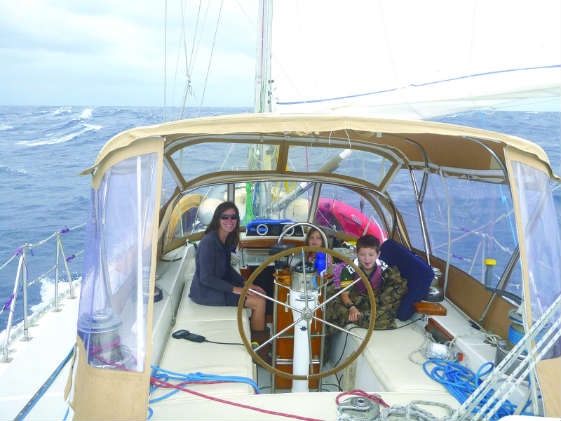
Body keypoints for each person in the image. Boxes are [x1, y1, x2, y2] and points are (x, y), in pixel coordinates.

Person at [189, 201, 270, 359]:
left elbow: (226, 269)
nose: (229, 221)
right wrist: (237, 290)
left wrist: (248, 284)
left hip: (219, 288)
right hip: (206, 293)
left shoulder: (224, 240)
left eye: (233, 217)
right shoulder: (208, 242)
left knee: (260, 294)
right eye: (225, 217)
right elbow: (206, 278)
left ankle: (259, 341)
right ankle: (259, 353)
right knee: (259, 303)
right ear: (217, 219)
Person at [326, 234, 407, 330]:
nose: (367, 259)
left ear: (378, 254)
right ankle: (362, 317)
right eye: (362, 255)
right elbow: (345, 294)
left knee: (388, 308)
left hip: (375, 298)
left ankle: (363, 318)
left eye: (371, 255)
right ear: (356, 253)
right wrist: (352, 308)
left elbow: (394, 288)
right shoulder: (349, 270)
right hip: (355, 296)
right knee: (332, 307)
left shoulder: (384, 269)